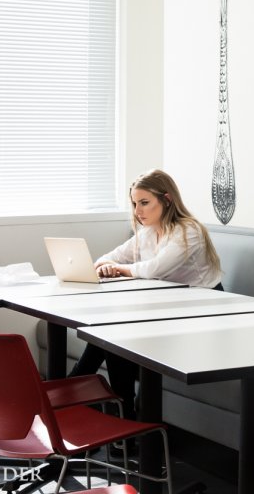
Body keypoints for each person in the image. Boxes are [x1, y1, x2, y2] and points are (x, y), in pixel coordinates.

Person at [69, 168, 223, 418]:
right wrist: (107, 265)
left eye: (144, 203)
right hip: (168, 310)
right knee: (110, 332)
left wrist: (118, 269)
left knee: (111, 332)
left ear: (167, 199)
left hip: (204, 314)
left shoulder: (188, 231)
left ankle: (76, 389)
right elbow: (109, 257)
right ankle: (121, 414)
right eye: (134, 203)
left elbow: (155, 268)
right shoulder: (149, 232)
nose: (137, 211)